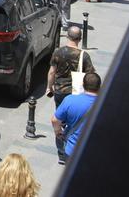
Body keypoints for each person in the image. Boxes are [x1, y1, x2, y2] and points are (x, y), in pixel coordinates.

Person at [46, 25, 94, 163]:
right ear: (80, 38)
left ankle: (61, 153)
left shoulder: (58, 52)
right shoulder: (84, 56)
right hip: (76, 92)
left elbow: (51, 72)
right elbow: (91, 75)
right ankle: (71, 148)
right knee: (73, 121)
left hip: (60, 91)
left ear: (67, 36)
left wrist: (49, 88)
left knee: (59, 120)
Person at [52, 71, 102, 163]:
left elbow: (55, 120)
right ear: (100, 87)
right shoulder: (106, 104)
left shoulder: (70, 100)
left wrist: (58, 132)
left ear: (83, 84)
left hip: (72, 150)